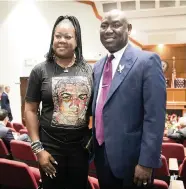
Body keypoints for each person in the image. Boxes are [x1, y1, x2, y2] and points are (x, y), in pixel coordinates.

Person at [92, 9, 166, 189]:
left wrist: (147, 162)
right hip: (101, 157)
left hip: (134, 163)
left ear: (129, 29)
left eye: (116, 25)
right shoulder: (98, 66)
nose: (109, 30)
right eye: (104, 26)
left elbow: (155, 117)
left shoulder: (147, 61)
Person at [24, 15, 93, 189]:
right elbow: (30, 110)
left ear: (77, 41)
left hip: (80, 150)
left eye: (68, 37)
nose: (62, 40)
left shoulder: (88, 70)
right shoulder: (40, 70)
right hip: (49, 149)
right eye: (58, 36)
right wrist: (38, 150)